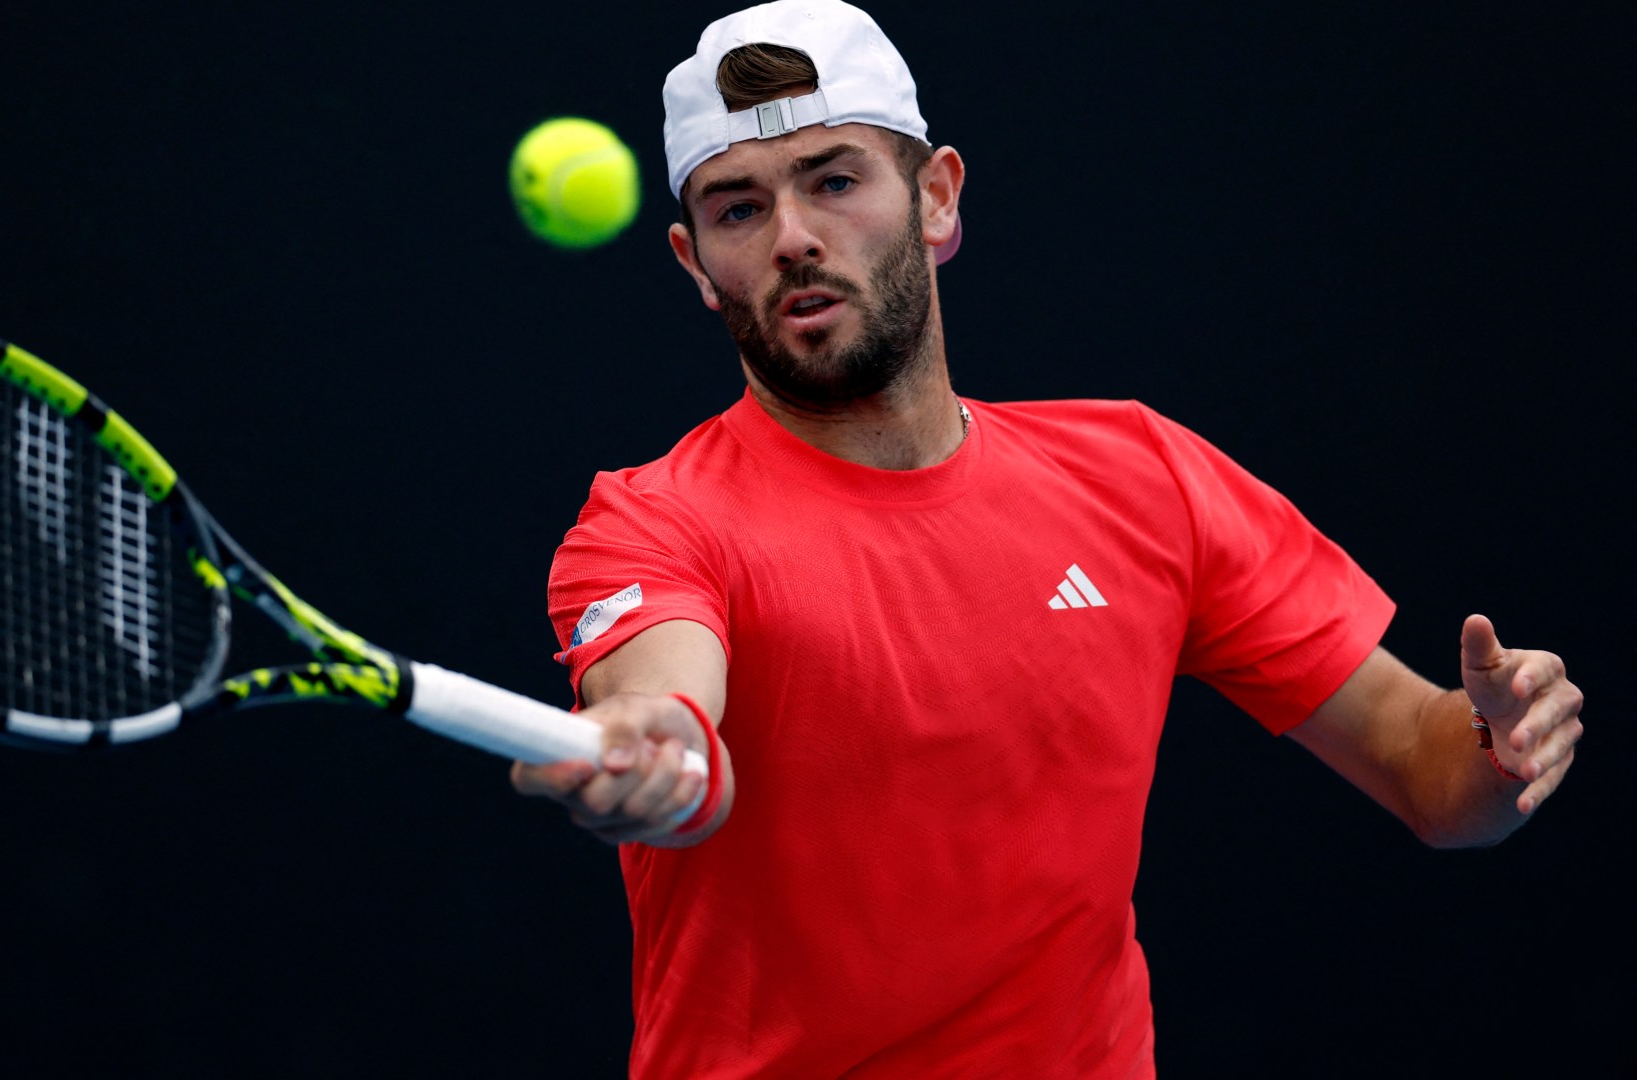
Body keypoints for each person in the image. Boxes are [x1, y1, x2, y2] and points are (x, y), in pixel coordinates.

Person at [510, 2, 1586, 1076]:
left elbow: (1426, 768)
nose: (793, 234)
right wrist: (659, 746)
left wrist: (1501, 745)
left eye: (834, 181)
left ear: (936, 199)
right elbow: (664, 708)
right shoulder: (651, 522)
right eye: (739, 209)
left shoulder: (1145, 478)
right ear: (696, 264)